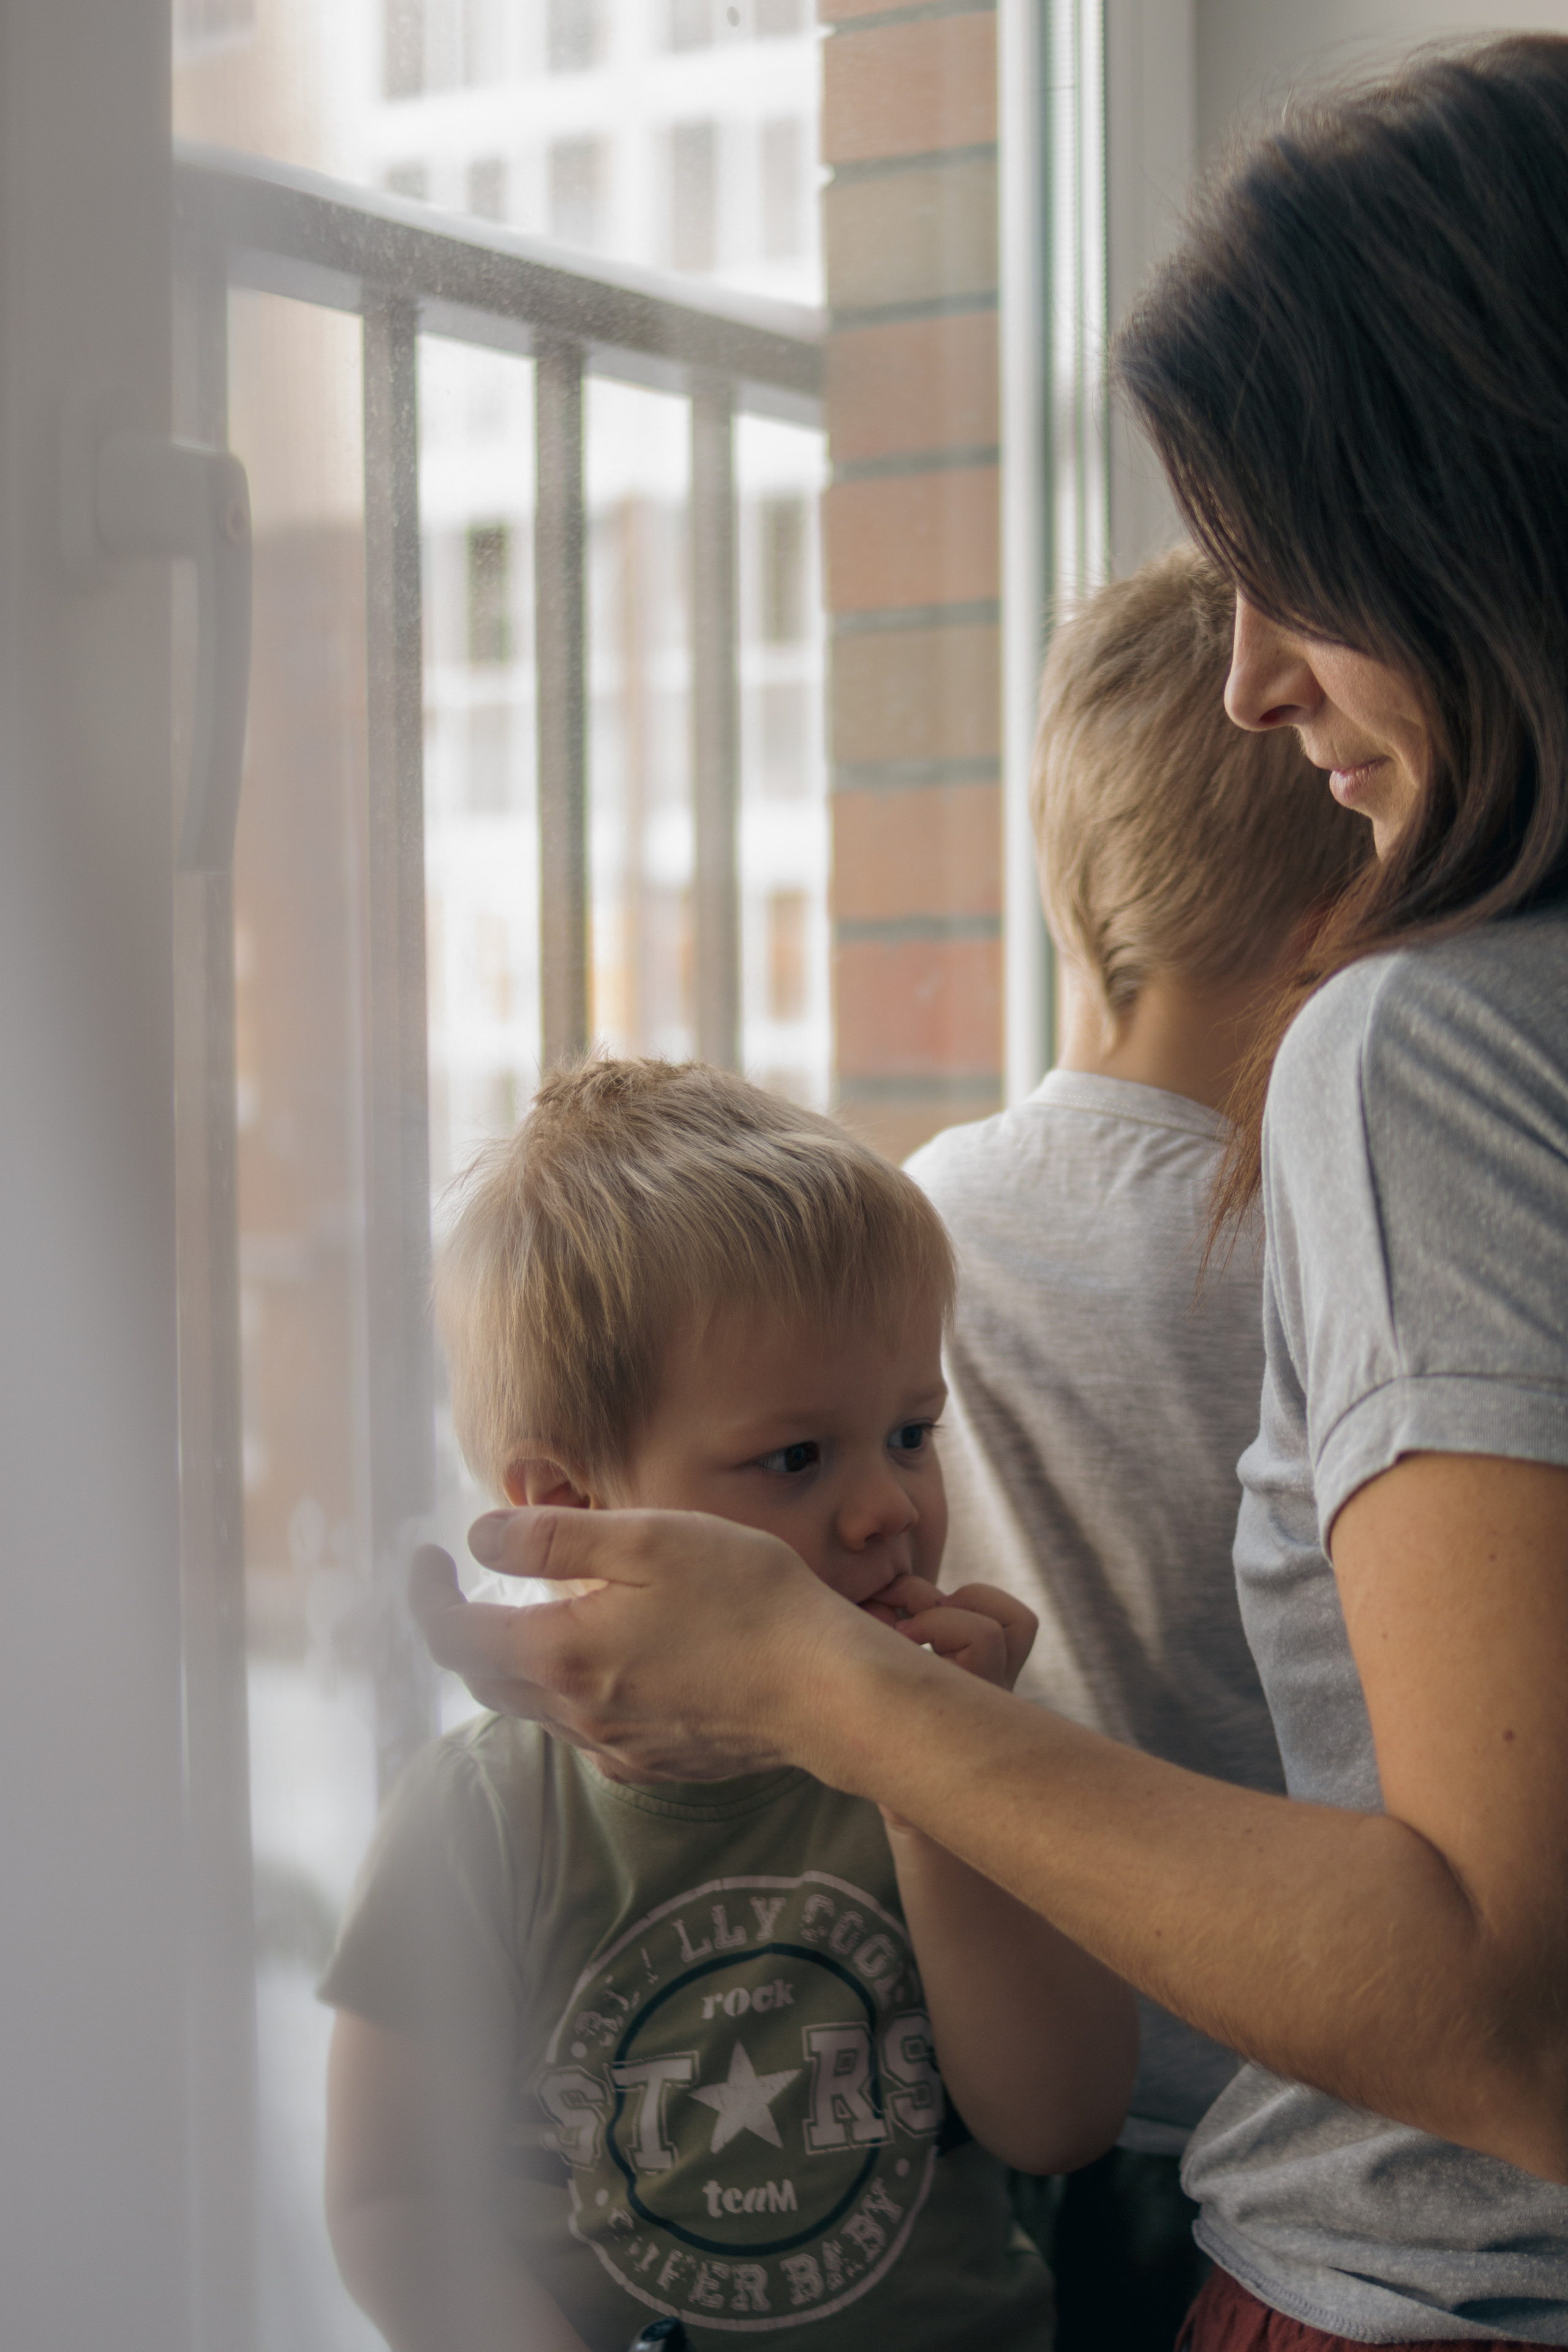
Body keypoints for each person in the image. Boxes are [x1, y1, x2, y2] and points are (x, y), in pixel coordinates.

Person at [411, 37, 1568, 2350]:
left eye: (1286, 562)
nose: (1246, 676)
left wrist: (812, 1684)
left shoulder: (1435, 1046)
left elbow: (1501, 2025)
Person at [321, 1060, 1137, 2352]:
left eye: (910, 1433)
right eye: (797, 1457)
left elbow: (1061, 2120)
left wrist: (935, 1779)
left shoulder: (961, 1743)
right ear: (571, 1507)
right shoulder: (487, 1814)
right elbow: (393, 2197)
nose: (889, 1508)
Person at [904, 545, 1365, 2350]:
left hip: (1013, 2082)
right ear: (1354, 922)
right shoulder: (1329, 1254)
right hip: (1316, 2117)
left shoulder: (924, 1219)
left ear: (1066, 875)